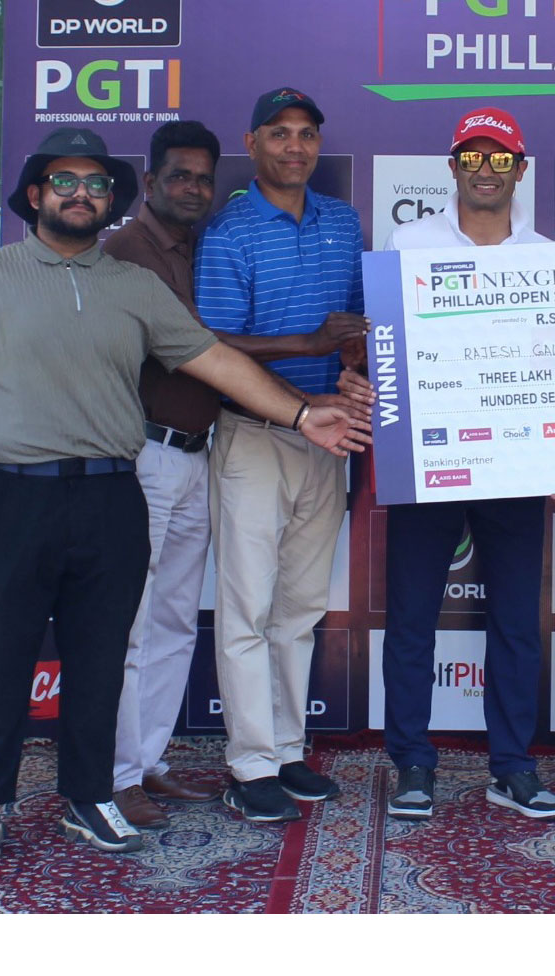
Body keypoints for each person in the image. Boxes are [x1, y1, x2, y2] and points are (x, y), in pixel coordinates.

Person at [0, 126, 368, 863]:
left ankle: (92, 795)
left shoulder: (131, 286)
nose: (80, 195)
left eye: (95, 184)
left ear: (110, 201)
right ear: (35, 195)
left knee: (100, 657)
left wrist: (300, 413)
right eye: (64, 181)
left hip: (110, 492)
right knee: (3, 655)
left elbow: (212, 356)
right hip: (13, 495)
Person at [380, 107, 555, 821]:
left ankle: (513, 767)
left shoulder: (550, 256)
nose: (485, 171)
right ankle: (412, 763)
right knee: (411, 618)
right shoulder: (409, 240)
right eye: (472, 158)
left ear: (520, 171)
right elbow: (389, 346)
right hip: (429, 460)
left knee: (517, 621)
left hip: (517, 465)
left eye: (500, 160)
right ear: (452, 166)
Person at [194, 88, 369, 824]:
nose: (295, 147)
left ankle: (289, 750)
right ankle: (249, 762)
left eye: (306, 135)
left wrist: (353, 366)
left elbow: (357, 324)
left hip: (329, 439)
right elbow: (211, 345)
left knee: (298, 608)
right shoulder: (229, 229)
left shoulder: (343, 220)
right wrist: (309, 346)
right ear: (253, 141)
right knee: (245, 608)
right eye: (280, 134)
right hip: (254, 438)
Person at [101, 121, 226, 829]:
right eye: (179, 176)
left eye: (204, 178)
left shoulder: (195, 246)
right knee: (134, 623)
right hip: (145, 454)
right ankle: (117, 775)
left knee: (177, 619)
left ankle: (148, 761)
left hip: (196, 452)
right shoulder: (127, 251)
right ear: (149, 182)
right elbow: (192, 352)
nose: (193, 189)